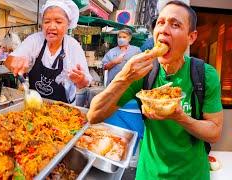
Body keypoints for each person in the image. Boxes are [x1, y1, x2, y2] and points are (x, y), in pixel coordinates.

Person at [87, 1, 223, 179]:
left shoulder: (204, 75)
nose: (164, 30)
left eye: (175, 24)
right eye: (160, 22)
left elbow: (214, 132)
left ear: (191, 37)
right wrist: (124, 76)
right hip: (149, 173)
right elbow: (94, 115)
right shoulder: (144, 72)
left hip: (193, 174)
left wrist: (180, 117)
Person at [5, 0, 92, 104]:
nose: (51, 26)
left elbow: (84, 83)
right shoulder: (34, 40)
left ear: (68, 24)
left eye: (58, 22)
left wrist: (80, 80)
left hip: (64, 109)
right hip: (34, 104)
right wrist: (13, 62)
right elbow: (8, 61)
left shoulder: (73, 47)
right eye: (46, 22)